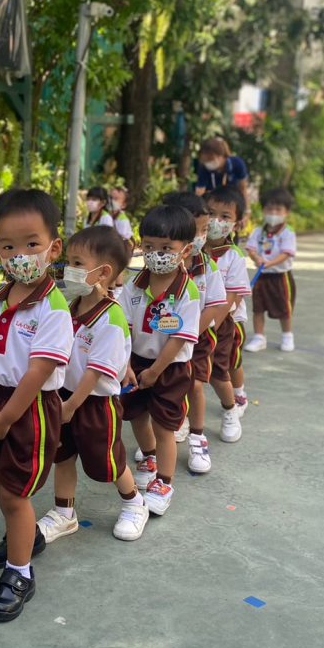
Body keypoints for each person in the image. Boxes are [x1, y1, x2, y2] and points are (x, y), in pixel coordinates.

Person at [0, 188, 72, 622]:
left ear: (54, 247)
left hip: (30, 409)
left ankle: (19, 572)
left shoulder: (54, 308)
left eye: (32, 244)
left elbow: (38, 371)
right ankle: (24, 534)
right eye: (8, 246)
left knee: (15, 492)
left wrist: (6, 417)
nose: (19, 256)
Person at [35, 226, 149, 544]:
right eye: (68, 261)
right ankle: (64, 513)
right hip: (63, 396)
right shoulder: (70, 307)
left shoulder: (110, 317)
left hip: (94, 404)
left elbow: (96, 371)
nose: (68, 269)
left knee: (108, 461)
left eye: (77, 263)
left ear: (103, 272)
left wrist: (72, 406)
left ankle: (134, 502)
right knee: (62, 455)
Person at [118, 205, 201, 516]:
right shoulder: (134, 284)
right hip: (136, 362)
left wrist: (155, 370)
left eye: (166, 248)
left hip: (171, 367)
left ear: (186, 250)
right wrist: (126, 365)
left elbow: (180, 339)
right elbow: (123, 327)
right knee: (136, 415)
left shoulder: (187, 292)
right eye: (150, 246)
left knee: (165, 425)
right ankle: (149, 456)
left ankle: (164, 482)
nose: (156, 254)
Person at [159, 193, 229, 473]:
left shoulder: (207, 266)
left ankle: (198, 437)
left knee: (196, 385)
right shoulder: (162, 266)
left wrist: (190, 334)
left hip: (197, 339)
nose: (202, 237)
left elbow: (215, 305)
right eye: (196, 230)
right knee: (165, 387)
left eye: (204, 230)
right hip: (164, 340)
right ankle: (164, 432)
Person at [206, 185, 253, 428]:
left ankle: (237, 396)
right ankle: (183, 419)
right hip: (200, 321)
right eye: (211, 213)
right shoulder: (195, 249)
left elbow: (232, 298)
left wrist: (210, 324)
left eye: (225, 216)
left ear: (237, 223)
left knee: (229, 364)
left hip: (227, 322)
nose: (216, 221)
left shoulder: (234, 256)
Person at [244, 188, 297, 353]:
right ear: (263, 210)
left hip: (280, 277)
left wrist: (270, 263)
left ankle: (287, 336)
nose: (273, 213)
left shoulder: (288, 233)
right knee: (258, 308)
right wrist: (256, 258)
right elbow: (251, 249)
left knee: (284, 308)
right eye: (269, 209)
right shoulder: (258, 232)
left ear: (286, 212)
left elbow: (287, 254)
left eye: (278, 209)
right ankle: (259, 338)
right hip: (262, 276)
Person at [194, 137, 249, 207]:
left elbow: (243, 188)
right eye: (205, 160)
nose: (208, 163)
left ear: (221, 156)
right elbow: (200, 191)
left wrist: (247, 208)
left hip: (233, 202)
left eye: (210, 159)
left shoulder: (237, 164)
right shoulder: (204, 168)